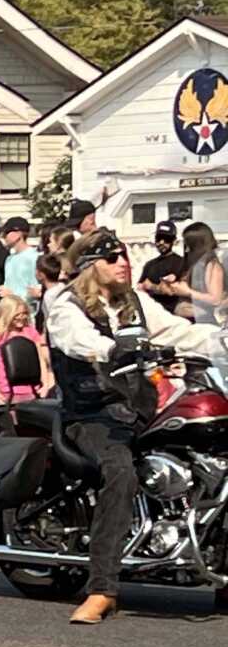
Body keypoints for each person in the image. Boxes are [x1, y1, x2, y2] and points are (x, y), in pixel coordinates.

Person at [45, 229, 222, 623]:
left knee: (213, 460)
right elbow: (77, 340)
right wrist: (113, 349)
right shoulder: (66, 305)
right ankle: (102, 589)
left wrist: (221, 339)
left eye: (124, 255)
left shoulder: (136, 302)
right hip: (92, 414)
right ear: (90, 266)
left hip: (141, 410)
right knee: (120, 471)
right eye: (112, 258)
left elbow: (181, 332)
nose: (123, 263)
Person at [0, 293, 52, 402]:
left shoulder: (31, 333)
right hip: (6, 389)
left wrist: (45, 384)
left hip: (31, 389)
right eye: (17, 314)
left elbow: (40, 360)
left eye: (24, 313)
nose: (21, 317)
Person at [167, 222, 223, 324]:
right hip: (184, 322)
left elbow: (215, 299)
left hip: (202, 323)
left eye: (191, 246)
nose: (187, 250)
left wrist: (188, 292)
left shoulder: (212, 266)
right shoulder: (193, 263)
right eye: (185, 245)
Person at [136, 221, 184, 314]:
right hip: (151, 314)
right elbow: (140, 288)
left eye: (166, 239)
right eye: (158, 238)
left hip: (173, 314)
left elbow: (171, 291)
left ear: (174, 240)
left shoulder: (181, 263)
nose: (161, 242)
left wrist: (151, 286)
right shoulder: (149, 265)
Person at [2, 217, 38, 300]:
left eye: (6, 233)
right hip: (10, 305)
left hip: (27, 306)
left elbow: (36, 289)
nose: (4, 237)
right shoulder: (9, 259)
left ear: (18, 234)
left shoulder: (34, 257)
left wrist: (13, 295)